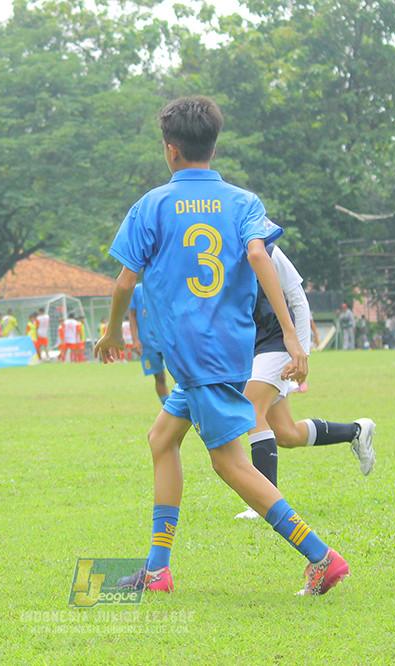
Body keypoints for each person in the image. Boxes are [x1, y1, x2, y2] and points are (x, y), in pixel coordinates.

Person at [94, 95, 347, 597]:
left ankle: (323, 558)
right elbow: (259, 253)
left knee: (230, 463)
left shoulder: (152, 205)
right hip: (224, 352)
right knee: (161, 439)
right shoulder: (243, 201)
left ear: (170, 151)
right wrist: (292, 332)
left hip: (197, 356)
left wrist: (113, 332)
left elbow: (124, 285)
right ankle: (158, 571)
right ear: (213, 144)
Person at [236, 243, 376, 519]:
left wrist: (301, 352)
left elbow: (297, 298)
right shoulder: (217, 250)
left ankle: (265, 503)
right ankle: (356, 431)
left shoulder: (266, 247)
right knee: (286, 433)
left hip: (278, 343)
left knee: (251, 408)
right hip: (253, 347)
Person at [129, 282, 169, 404]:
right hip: (147, 342)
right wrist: (135, 339)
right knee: (159, 377)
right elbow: (132, 314)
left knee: (179, 375)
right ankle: (167, 407)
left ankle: (184, 407)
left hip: (168, 339)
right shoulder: (137, 290)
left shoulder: (165, 285)